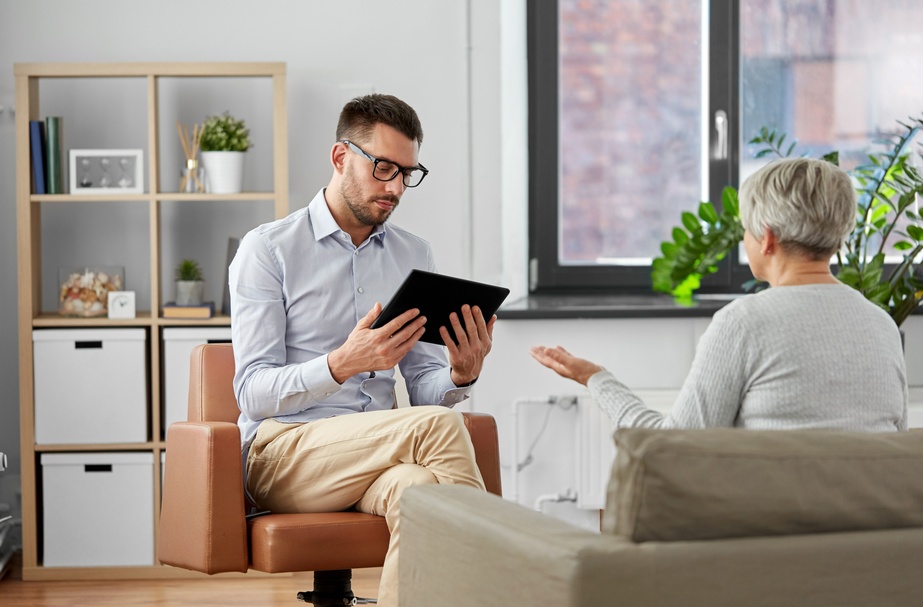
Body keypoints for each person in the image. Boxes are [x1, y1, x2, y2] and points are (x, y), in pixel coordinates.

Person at [229, 94, 496, 607]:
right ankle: (503, 584)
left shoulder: (413, 253)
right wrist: (340, 364)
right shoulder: (268, 249)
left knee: (423, 495)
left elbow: (424, 387)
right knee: (443, 427)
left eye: (407, 174)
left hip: (379, 453)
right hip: (283, 452)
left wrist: (459, 377)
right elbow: (252, 393)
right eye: (383, 168)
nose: (395, 187)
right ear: (339, 157)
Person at [531, 156, 907, 432]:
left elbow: (676, 447)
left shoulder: (744, 323)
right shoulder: (882, 325)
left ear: (768, 238)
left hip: (772, 531)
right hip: (874, 533)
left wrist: (595, 378)